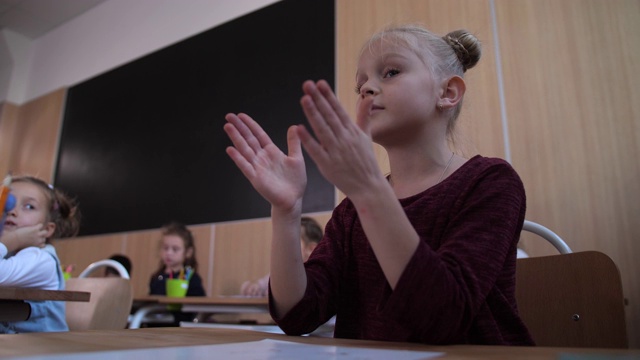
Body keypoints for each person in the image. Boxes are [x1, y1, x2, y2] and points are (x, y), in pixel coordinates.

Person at [223, 24, 534, 345]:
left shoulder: (490, 182)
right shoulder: (352, 212)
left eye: (390, 72)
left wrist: (369, 190)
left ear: (448, 92)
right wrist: (287, 212)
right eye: (360, 86)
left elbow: (442, 318)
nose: (367, 89)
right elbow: (298, 314)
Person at [0, 175, 81, 334]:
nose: (12, 211)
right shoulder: (7, 252)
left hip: (43, 351)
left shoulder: (42, 260)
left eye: (29, 206)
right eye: (6, 204)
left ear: (47, 229)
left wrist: (11, 240)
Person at [240, 216, 323, 297]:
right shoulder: (282, 272)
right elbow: (260, 284)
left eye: (290, 242)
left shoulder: (316, 276)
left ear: (311, 250)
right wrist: (253, 286)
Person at [148, 221, 205, 325]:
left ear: (188, 252)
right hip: (154, 326)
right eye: (165, 248)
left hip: (179, 326)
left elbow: (199, 304)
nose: (169, 253)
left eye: (175, 249)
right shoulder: (156, 276)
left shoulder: (191, 277)